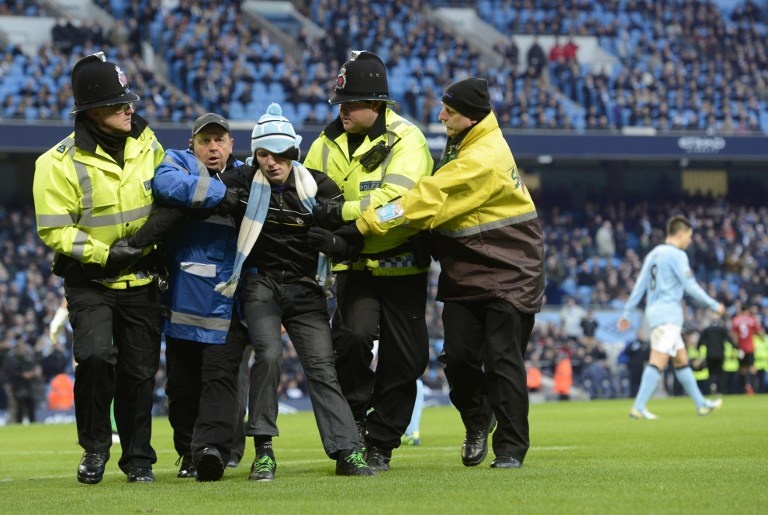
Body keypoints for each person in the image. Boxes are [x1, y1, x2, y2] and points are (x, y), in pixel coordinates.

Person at [325, 77, 545, 469]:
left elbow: (423, 200)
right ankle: (479, 418)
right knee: (458, 358)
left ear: (471, 117)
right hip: (468, 268)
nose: (441, 115)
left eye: (450, 111)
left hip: (510, 269)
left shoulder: (483, 157)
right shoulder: (467, 140)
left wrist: (363, 224)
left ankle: (511, 449)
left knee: (502, 359)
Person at [216, 103, 373, 478]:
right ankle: (264, 451)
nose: (272, 162)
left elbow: (353, 235)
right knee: (268, 355)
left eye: (281, 153)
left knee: (322, 367)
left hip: (306, 287)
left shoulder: (320, 186)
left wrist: (335, 243)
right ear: (255, 155)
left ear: (294, 153)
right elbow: (206, 192)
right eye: (264, 154)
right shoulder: (239, 182)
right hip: (260, 282)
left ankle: (347, 451)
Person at [32, 52, 165, 484]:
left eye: (129, 101)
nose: (130, 109)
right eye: (118, 103)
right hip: (91, 280)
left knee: (139, 372)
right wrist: (105, 254)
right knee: (92, 357)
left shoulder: (150, 144)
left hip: (143, 277)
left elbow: (167, 198)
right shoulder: (55, 163)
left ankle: (138, 458)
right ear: (92, 112)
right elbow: (55, 231)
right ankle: (94, 447)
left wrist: (144, 247)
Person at [304, 50, 434, 472]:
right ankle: (357, 422)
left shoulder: (407, 139)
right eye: (340, 103)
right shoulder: (323, 145)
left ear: (375, 105)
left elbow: (397, 201)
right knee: (354, 340)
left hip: (402, 265)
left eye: (351, 103)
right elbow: (305, 193)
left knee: (407, 359)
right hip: (353, 267)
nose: (342, 110)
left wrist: (338, 213)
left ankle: (383, 438)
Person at [146, 112, 249, 481]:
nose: (213, 147)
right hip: (183, 301)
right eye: (205, 140)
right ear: (193, 144)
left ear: (231, 145)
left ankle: (209, 451)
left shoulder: (248, 173)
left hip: (229, 302)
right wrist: (222, 195)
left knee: (220, 380)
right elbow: (167, 185)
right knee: (182, 386)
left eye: (220, 140)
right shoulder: (176, 162)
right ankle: (190, 452)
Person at [618, 215, 725, 420]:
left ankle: (701, 404)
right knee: (658, 360)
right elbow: (690, 286)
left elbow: (639, 286)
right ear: (681, 233)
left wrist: (627, 313)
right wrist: (714, 305)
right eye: (689, 236)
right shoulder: (677, 255)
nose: (690, 241)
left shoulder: (653, 254)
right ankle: (638, 407)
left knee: (682, 359)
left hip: (655, 312)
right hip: (668, 315)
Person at [730, 303, 764, 395]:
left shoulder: (736, 320)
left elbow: (733, 335)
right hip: (749, 348)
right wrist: (762, 337)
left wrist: (736, 345)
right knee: (752, 367)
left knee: (742, 369)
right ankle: (753, 388)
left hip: (740, 349)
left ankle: (745, 387)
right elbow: (759, 332)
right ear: (747, 311)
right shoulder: (752, 320)